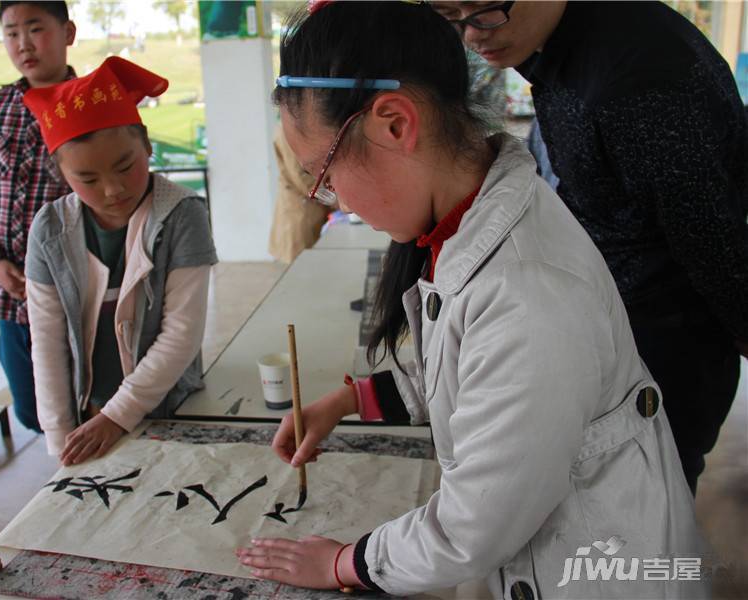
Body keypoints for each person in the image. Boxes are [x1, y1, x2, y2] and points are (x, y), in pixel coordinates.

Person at [236, 3, 708, 598]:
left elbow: (475, 526)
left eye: (324, 173)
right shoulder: (473, 211)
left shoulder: (526, 291)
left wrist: (343, 564)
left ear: (394, 125)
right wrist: (352, 398)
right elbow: (464, 359)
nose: (333, 200)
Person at [431, 0, 748, 494]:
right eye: (452, 17)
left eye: (485, 10)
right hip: (610, 321)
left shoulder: (638, 78)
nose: (472, 35)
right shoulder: (560, 43)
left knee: (644, 506)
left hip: (662, 346)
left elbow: (709, 235)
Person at [22, 57, 217, 465]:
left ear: (146, 144)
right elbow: (48, 342)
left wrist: (117, 415)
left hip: (167, 406)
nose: (112, 190)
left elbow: (181, 334)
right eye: (87, 179)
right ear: (60, 173)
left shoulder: (183, 215)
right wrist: (60, 439)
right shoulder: (50, 229)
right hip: (89, 408)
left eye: (126, 166)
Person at [0, 1, 76, 432]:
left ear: (68, 32)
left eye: (35, 29)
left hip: (77, 298)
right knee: (32, 412)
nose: (23, 44)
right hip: (11, 297)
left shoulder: (94, 103)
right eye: (11, 33)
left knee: (87, 407)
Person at [268, 123, 331, 263]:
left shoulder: (297, 125)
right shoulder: (287, 131)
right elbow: (301, 178)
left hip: (310, 208)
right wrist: (334, 200)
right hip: (300, 211)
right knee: (302, 266)